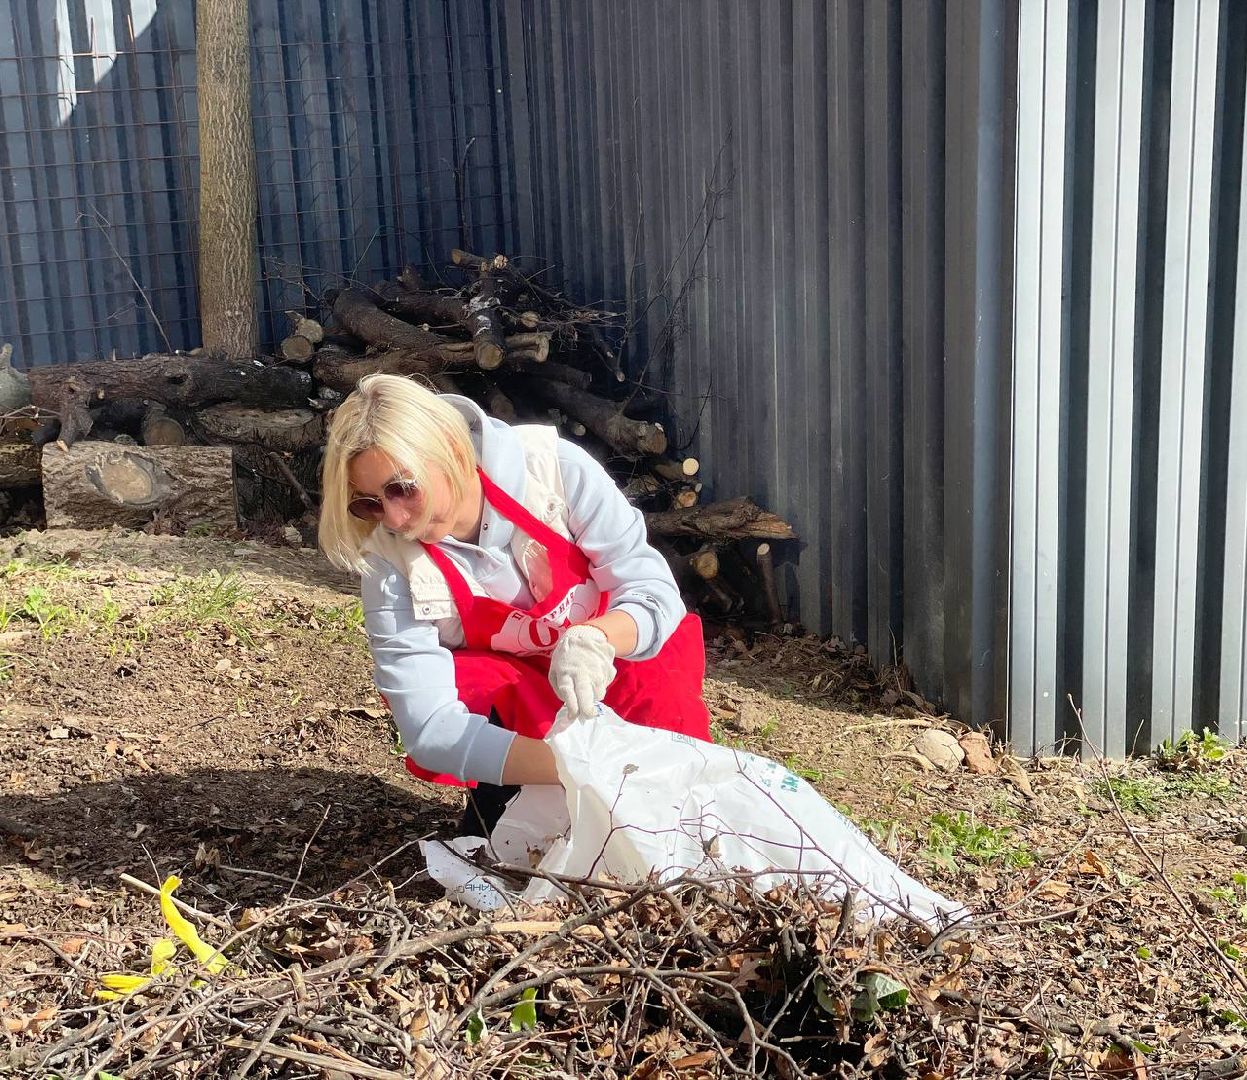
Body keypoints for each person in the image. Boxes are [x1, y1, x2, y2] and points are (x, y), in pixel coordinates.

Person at [318, 374, 711, 835]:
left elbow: (651, 589)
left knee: (657, 682)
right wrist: (577, 769)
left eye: (403, 488)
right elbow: (429, 727)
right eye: (369, 505)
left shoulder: (554, 471)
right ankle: (511, 796)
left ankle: (673, 797)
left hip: (613, 670)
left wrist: (597, 639)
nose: (397, 520)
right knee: (470, 683)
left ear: (450, 446)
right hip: (522, 705)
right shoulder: (390, 564)